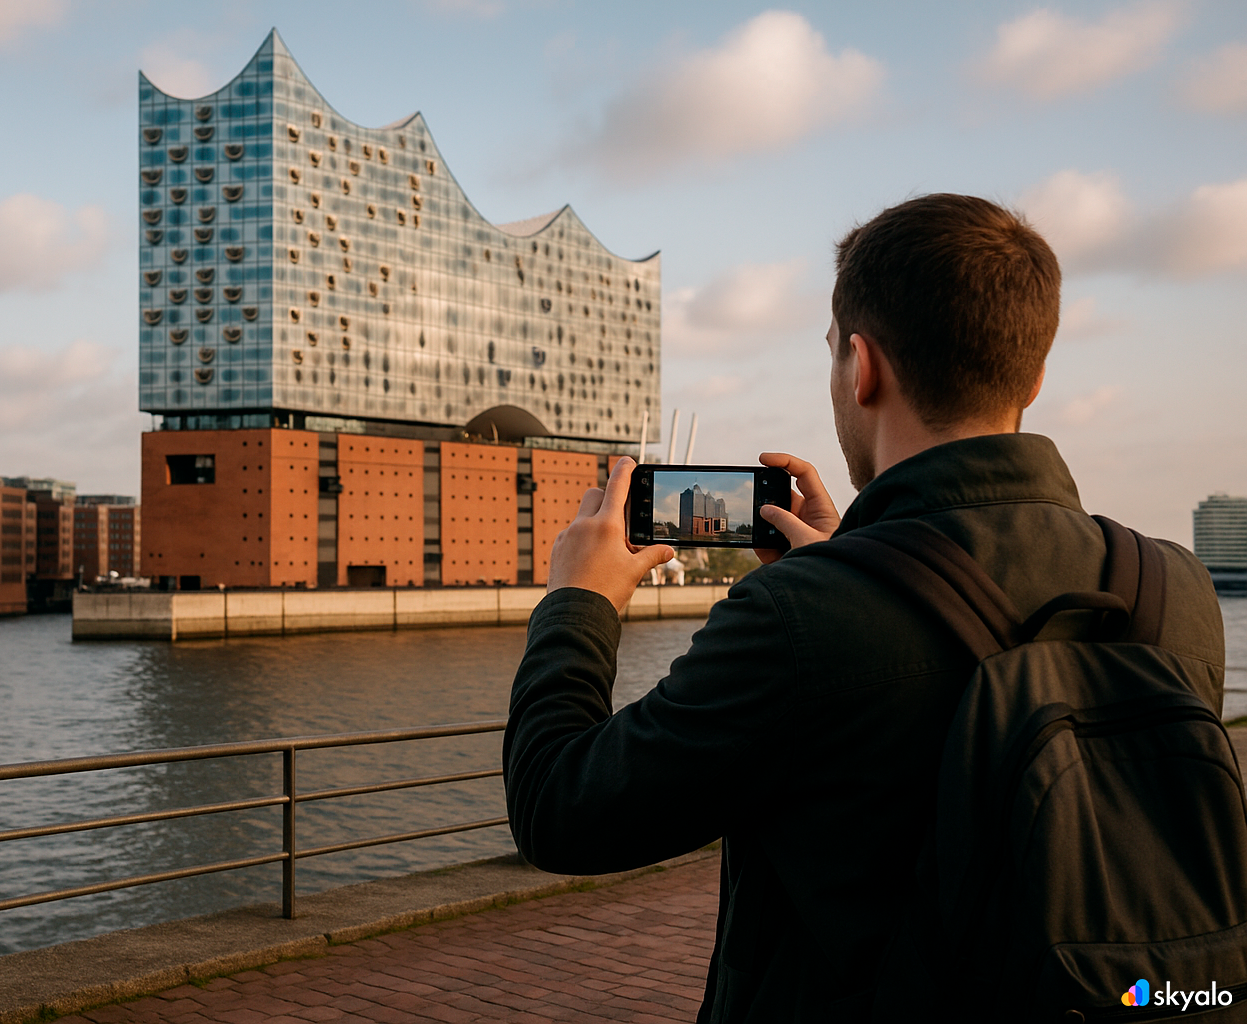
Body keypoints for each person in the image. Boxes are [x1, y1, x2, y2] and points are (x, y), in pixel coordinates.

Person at [502, 193, 1225, 1022]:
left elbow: (559, 808)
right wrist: (866, 565)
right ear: (1034, 374)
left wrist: (578, 600)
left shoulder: (797, 617)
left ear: (863, 364)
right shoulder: (1174, 591)